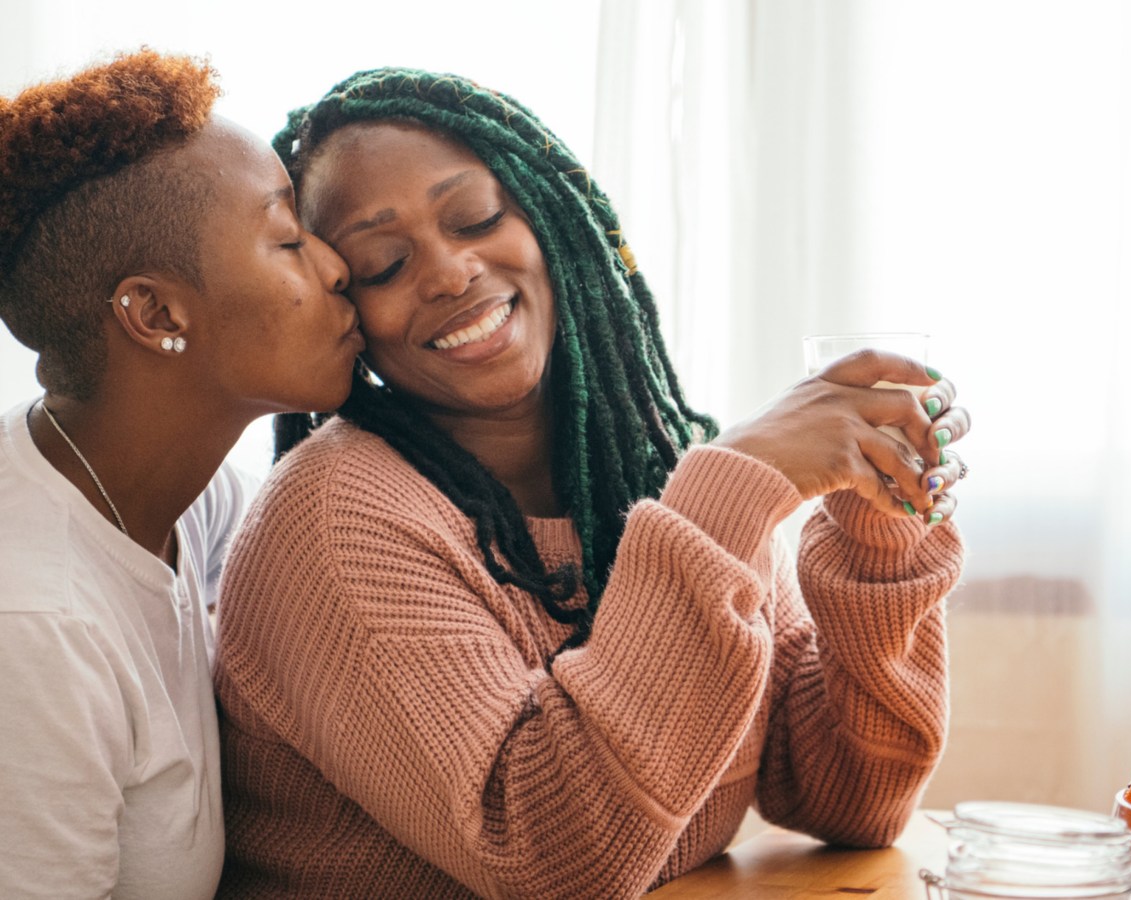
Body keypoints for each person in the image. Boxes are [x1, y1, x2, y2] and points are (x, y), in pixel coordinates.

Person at [215, 68, 969, 898]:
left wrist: (878, 527)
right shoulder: (335, 518)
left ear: (551, 218)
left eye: (474, 218)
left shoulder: (652, 469)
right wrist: (735, 488)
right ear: (345, 307)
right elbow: (551, 862)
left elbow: (852, 798)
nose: (449, 271)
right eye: (385, 264)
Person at [0, 50, 363, 898]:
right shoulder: (37, 627)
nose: (336, 265)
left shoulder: (187, 501)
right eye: (286, 238)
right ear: (157, 313)